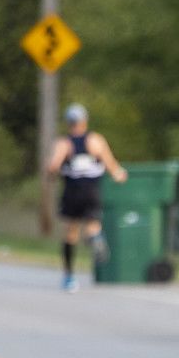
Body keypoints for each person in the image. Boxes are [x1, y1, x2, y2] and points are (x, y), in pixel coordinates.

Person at [43, 103, 127, 291]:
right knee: (92, 224)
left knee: (71, 233)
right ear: (84, 121)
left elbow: (52, 167)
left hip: (72, 192)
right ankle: (96, 237)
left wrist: (52, 175)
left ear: (68, 123)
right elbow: (112, 166)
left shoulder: (63, 144)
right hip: (92, 191)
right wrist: (120, 175)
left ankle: (69, 277)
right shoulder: (96, 141)